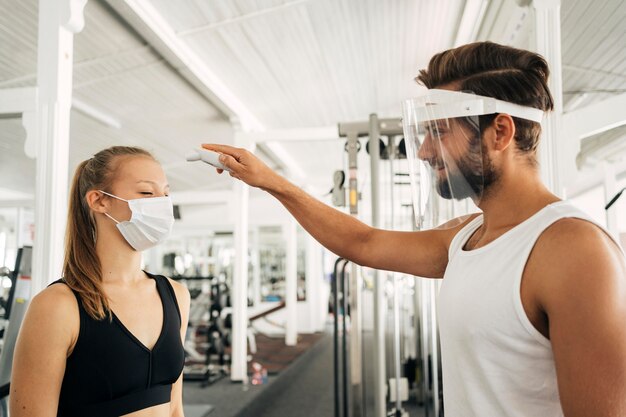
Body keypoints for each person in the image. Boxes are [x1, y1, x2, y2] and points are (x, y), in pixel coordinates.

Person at [203, 42, 626, 416]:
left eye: (438, 133)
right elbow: (362, 241)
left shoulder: (573, 248)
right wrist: (269, 180)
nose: (424, 151)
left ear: (500, 131)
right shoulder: (467, 235)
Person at [10, 146, 190, 417]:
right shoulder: (57, 306)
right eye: (146, 192)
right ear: (99, 201)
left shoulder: (176, 295)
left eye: (165, 193)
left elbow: (175, 407)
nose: (162, 203)